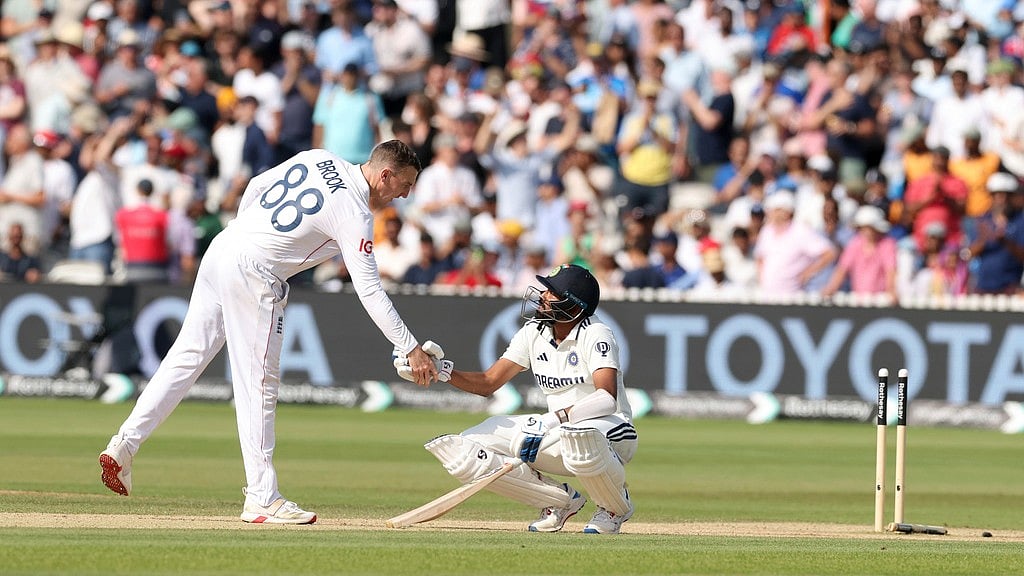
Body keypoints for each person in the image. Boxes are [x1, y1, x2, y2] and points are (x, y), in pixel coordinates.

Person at [99, 140, 441, 524]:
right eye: (405, 184)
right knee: (259, 384)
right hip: (256, 273)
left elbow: (257, 184)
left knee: (185, 357)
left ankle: (124, 445)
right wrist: (410, 346)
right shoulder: (355, 211)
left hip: (225, 247)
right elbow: (369, 290)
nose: (405, 195)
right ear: (385, 175)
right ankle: (262, 496)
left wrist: (247, 234)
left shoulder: (320, 157)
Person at [397, 264, 637, 534]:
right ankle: (558, 501)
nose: (543, 296)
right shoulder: (533, 332)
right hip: (557, 431)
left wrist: (553, 420)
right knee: (464, 450)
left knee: (578, 435)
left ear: (574, 306)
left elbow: (606, 398)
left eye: (553, 292)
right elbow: (488, 383)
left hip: (611, 431)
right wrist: (440, 371)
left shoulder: (595, 333)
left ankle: (614, 506)